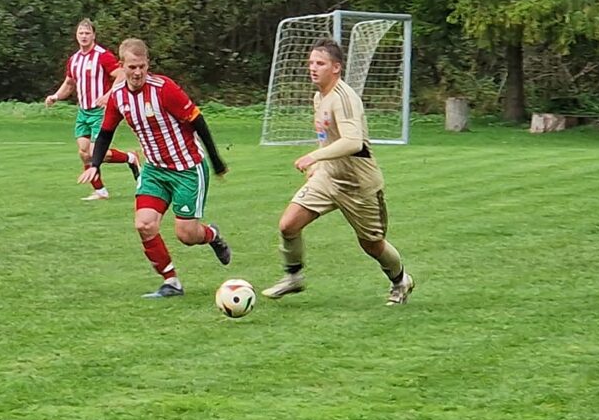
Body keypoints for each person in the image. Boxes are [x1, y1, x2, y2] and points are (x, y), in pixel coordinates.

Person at [262, 38, 415, 305]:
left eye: (320, 63)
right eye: (310, 63)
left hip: (359, 185)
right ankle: (294, 277)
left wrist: (313, 157)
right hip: (329, 178)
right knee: (288, 225)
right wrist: (320, 165)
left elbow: (353, 142)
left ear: (336, 68)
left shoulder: (344, 99)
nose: (313, 68)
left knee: (372, 244)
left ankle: (401, 281)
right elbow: (327, 137)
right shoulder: (319, 96)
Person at [81, 38, 231, 298]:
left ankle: (212, 234)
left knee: (186, 234)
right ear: (121, 66)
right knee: (144, 225)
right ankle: (171, 282)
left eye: (142, 66)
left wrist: (215, 160)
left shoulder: (164, 89)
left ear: (148, 64)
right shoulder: (118, 97)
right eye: (132, 67)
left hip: (186, 169)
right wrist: (95, 165)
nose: (137, 72)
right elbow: (105, 132)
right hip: (154, 170)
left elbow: (198, 121)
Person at [45, 19, 140, 200]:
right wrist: (56, 96)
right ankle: (100, 191)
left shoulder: (102, 55)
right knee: (83, 152)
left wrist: (109, 95)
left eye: (87, 33)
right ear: (76, 35)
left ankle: (131, 158)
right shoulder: (73, 60)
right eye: (81, 33)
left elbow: (121, 74)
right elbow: (69, 83)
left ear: (94, 35)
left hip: (100, 111)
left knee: (96, 152)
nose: (84, 36)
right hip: (83, 111)